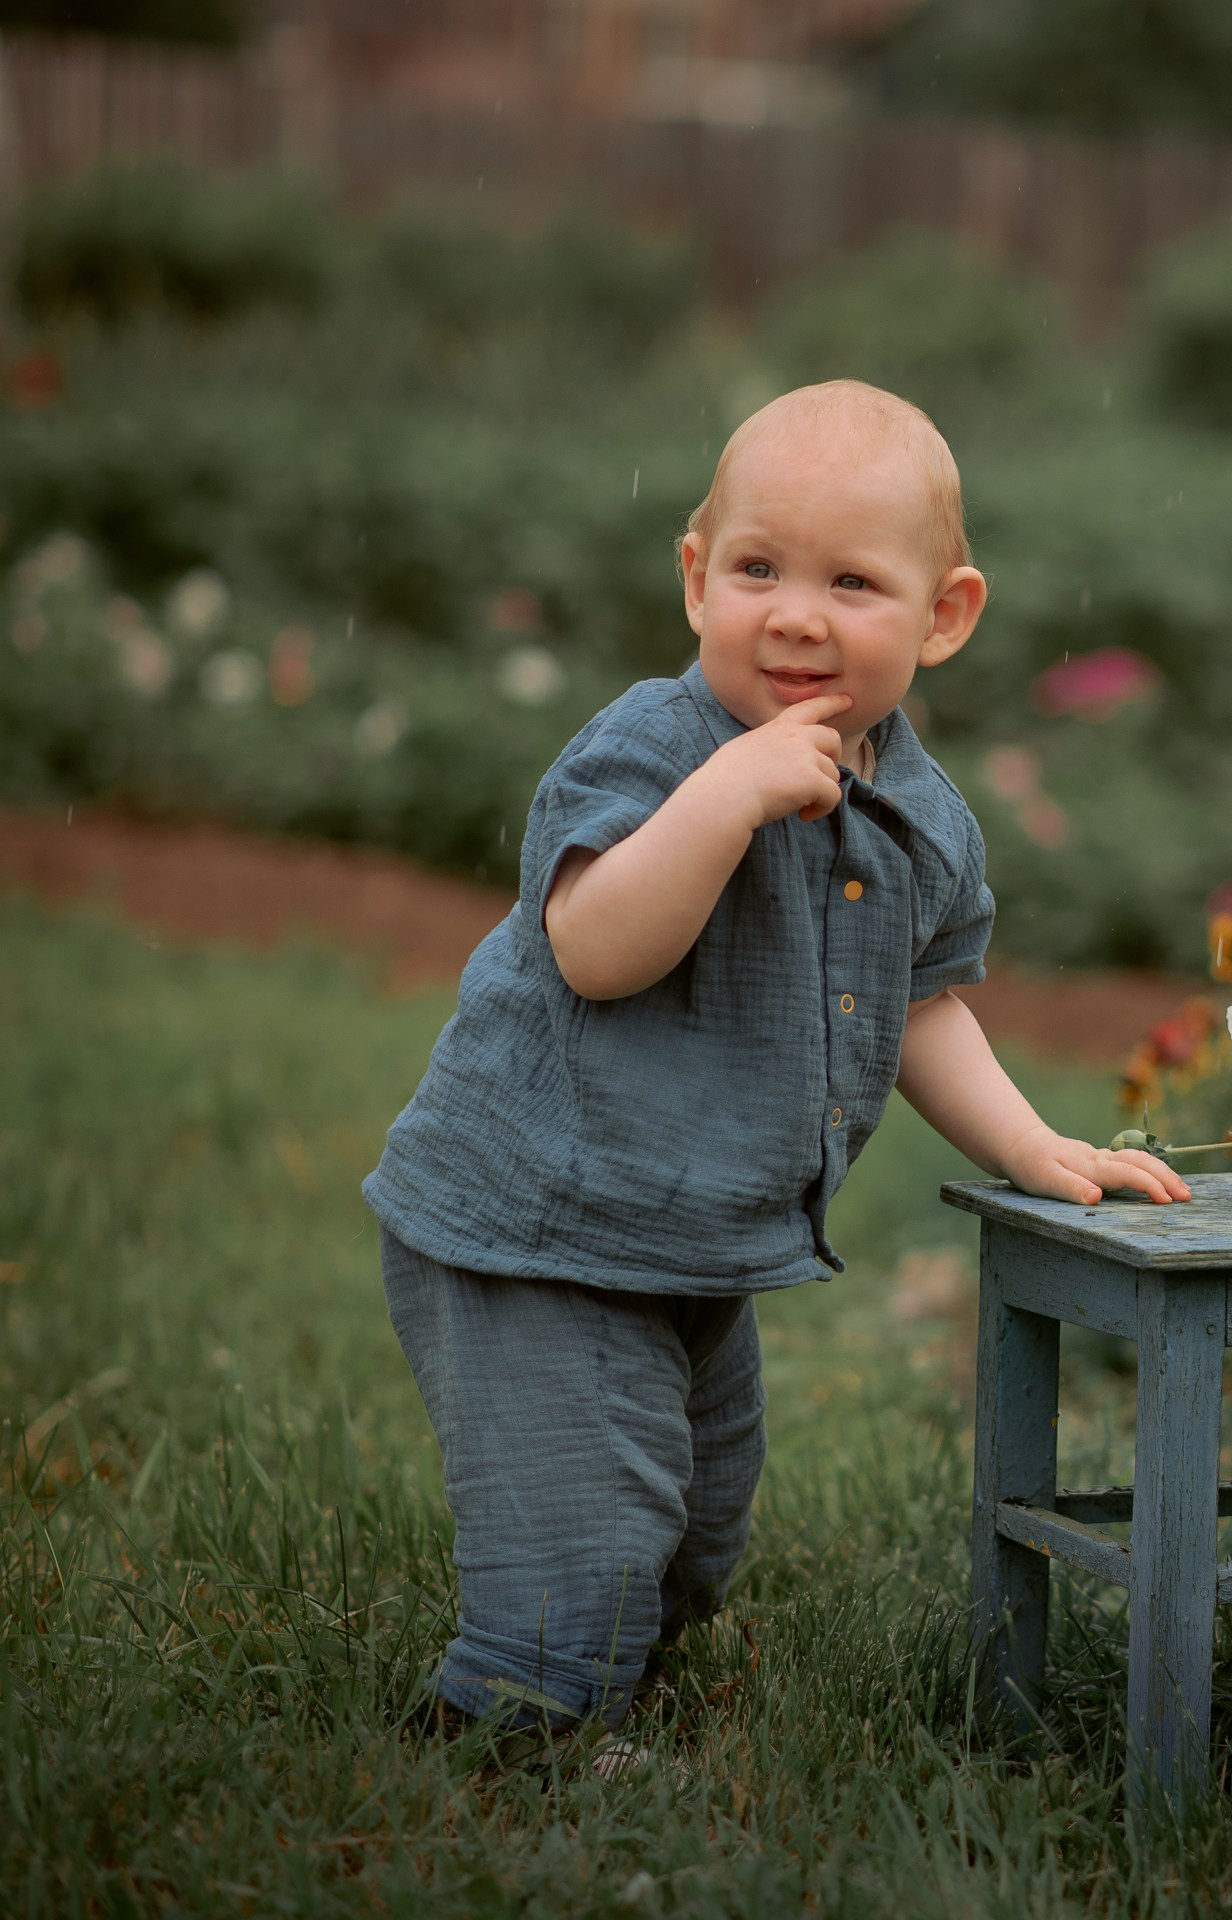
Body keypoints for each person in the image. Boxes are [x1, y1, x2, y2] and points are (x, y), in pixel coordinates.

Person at [363, 380, 1188, 1734]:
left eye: (853, 581)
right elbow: (594, 945)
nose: (796, 613)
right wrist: (723, 803)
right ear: (697, 582)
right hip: (534, 1224)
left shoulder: (921, 814)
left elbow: (922, 1003)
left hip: (693, 1235)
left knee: (698, 1515)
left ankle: (620, 1669)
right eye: (758, 569)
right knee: (587, 1528)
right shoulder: (652, 748)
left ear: (945, 616)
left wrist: (1033, 1144)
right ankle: (519, 1727)